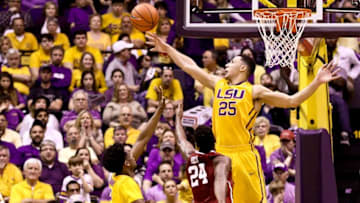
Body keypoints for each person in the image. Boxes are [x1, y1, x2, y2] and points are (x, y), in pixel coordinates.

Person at [146, 32, 340, 203]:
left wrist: (317, 82)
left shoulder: (255, 90)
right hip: (219, 155)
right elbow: (190, 66)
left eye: (232, 62)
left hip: (243, 155)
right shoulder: (218, 83)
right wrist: (168, 50)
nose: (227, 64)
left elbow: (292, 101)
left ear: (242, 68)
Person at [102, 87, 166, 203]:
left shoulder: (118, 178)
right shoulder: (127, 182)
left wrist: (159, 110)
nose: (133, 154)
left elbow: (143, 138)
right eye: (129, 154)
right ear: (126, 163)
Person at [175, 103, 233, 203]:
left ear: (196, 143)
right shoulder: (221, 160)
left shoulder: (190, 157)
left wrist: (177, 118)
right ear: (214, 140)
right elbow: (220, 179)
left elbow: (181, 140)